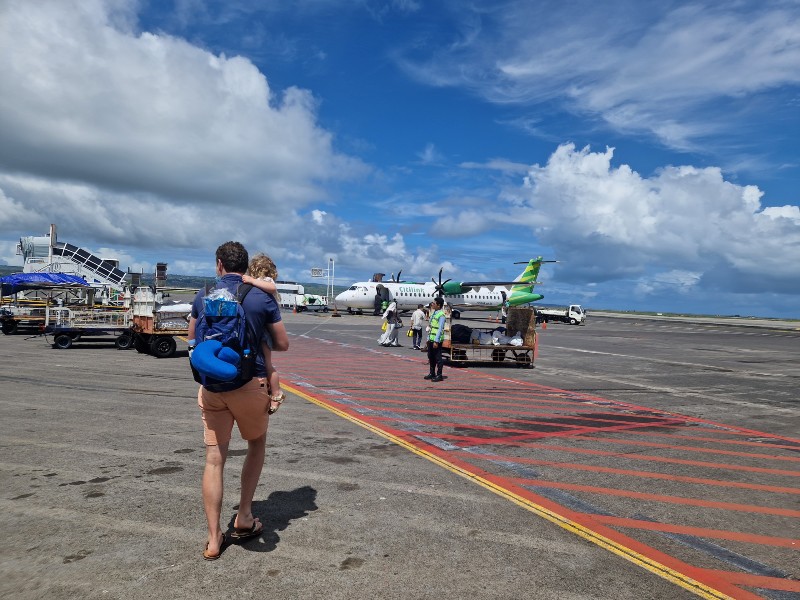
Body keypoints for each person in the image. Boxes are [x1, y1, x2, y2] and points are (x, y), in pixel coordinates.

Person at [187, 241, 289, 561]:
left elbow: (191, 338)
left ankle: (214, 538)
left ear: (219, 265)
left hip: (213, 387)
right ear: (245, 268)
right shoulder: (262, 297)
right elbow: (282, 343)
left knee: (214, 459)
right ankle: (244, 515)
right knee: (256, 444)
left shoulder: (203, 295)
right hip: (250, 384)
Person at [241, 253, 285, 415]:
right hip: (262, 330)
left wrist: (252, 281)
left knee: (267, 364)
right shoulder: (260, 285)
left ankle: (276, 392)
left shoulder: (266, 282)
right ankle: (269, 388)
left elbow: (272, 287)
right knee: (262, 361)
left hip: (265, 332)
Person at [425, 297, 446, 382]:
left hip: (436, 340)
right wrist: (428, 338)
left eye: (434, 303)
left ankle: (439, 374)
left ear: (438, 305)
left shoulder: (441, 315)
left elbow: (440, 329)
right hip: (431, 338)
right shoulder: (434, 313)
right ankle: (432, 373)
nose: (432, 304)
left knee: (438, 357)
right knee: (430, 356)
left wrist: (436, 341)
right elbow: (430, 327)